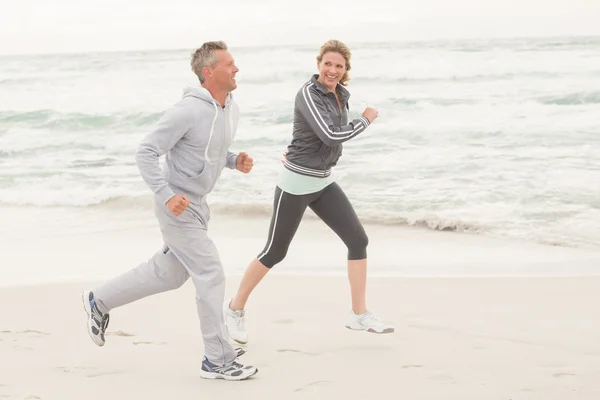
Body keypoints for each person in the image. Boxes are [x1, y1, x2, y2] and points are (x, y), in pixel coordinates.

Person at [81, 41, 258, 381]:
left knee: (169, 274)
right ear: (209, 72)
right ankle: (216, 360)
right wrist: (164, 194)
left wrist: (235, 161)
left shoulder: (230, 108)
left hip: (198, 206)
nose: (237, 69)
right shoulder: (187, 110)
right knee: (211, 273)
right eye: (230, 64)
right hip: (176, 207)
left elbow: (209, 151)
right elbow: (146, 151)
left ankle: (98, 301)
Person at [223, 39, 394, 345]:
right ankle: (234, 309)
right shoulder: (307, 93)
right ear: (318, 64)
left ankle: (358, 314)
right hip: (297, 182)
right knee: (275, 252)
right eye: (328, 63)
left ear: (345, 70)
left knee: (358, 240)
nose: (332, 70)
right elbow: (330, 136)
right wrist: (365, 119)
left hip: (323, 180)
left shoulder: (340, 95)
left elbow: (324, 140)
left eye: (339, 66)